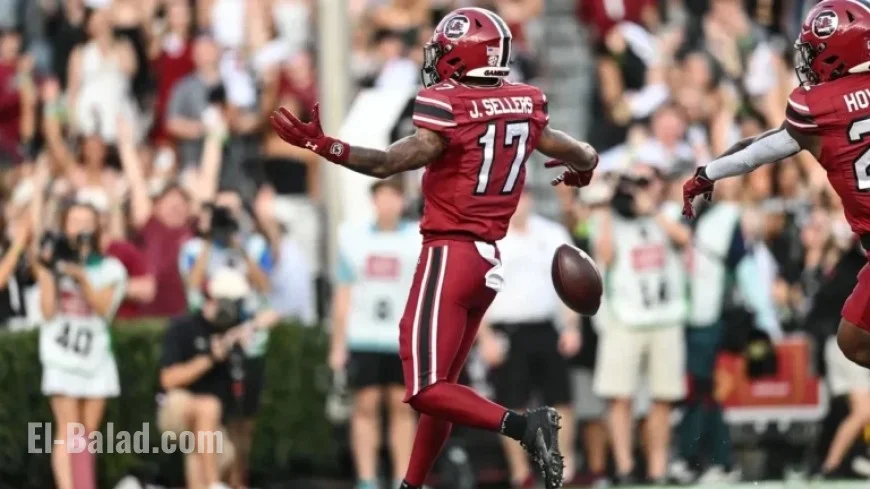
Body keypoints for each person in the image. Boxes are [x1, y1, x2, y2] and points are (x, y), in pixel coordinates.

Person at [269, 8, 599, 489]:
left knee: (425, 388)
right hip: (487, 262)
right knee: (441, 387)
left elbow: (387, 163)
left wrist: (327, 147)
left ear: (465, 53)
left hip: (450, 253)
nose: (437, 60)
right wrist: (583, 169)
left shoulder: (449, 105)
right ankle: (412, 485)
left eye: (444, 51)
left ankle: (525, 426)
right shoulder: (527, 101)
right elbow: (580, 151)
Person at [682, 0, 870, 371]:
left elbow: (757, 150)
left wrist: (708, 172)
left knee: (854, 341)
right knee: (853, 339)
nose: (808, 62)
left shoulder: (820, 105)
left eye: (815, 52)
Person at [592, 165, 689, 485]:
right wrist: (605, 205)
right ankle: (623, 467)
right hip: (625, 317)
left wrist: (653, 210)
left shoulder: (671, 212)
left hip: (666, 317)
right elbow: (603, 256)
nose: (638, 188)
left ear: (659, 184)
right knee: (619, 396)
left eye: (645, 181)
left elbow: (684, 238)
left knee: (664, 396)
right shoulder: (612, 219)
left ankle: (657, 469)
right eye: (632, 182)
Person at [478, 190, 581, 487]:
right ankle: (520, 472)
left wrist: (571, 326)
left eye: (522, 196)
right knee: (511, 404)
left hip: (547, 326)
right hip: (506, 331)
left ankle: (562, 465)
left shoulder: (552, 233)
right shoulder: (489, 238)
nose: (517, 203)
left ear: (531, 199)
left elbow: (570, 281)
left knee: (561, 399)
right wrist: (484, 338)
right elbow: (477, 292)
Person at [329, 178, 421, 489]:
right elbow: (343, 293)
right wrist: (338, 344)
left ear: (402, 201)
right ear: (373, 201)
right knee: (365, 407)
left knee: (401, 408)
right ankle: (367, 479)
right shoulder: (353, 239)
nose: (387, 203)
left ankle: (402, 478)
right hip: (364, 335)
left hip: (401, 337)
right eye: (381, 196)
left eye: (393, 196)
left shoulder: (419, 238)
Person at [36, 201, 128, 489]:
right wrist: (52, 271)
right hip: (61, 354)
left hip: (95, 356)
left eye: (86, 222)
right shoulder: (50, 262)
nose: (80, 228)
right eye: (73, 222)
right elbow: (48, 310)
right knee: (68, 429)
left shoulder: (111, 267)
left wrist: (81, 277)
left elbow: (104, 308)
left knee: (87, 432)